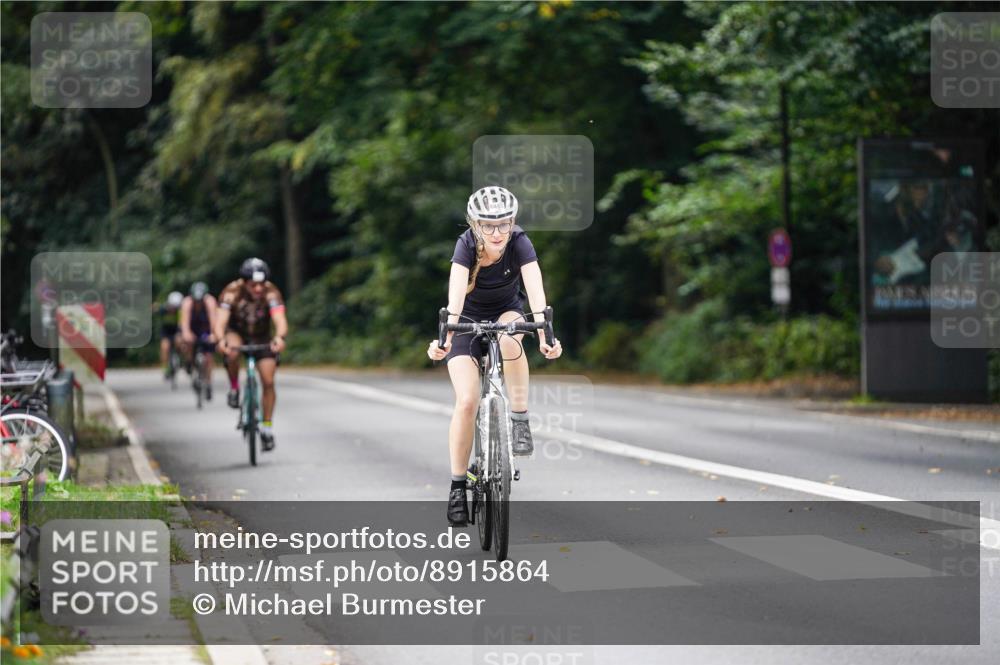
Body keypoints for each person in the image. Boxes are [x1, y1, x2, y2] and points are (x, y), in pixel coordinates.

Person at [427, 186, 562, 526]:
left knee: (511, 334)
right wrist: (445, 337)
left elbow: (535, 293)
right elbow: (454, 299)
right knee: (468, 400)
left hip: (505, 312)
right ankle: (458, 486)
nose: (497, 232)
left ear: (512, 222)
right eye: (488, 225)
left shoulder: (519, 242)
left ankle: (518, 418)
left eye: (503, 224)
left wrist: (546, 335)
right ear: (475, 225)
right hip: (467, 321)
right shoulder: (466, 246)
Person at [214, 258, 288, 451]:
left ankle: (267, 427)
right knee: (231, 350)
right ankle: (234, 387)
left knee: (268, 381)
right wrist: (220, 340)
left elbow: (279, 319)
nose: (257, 289)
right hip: (237, 332)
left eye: (261, 284)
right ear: (244, 282)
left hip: (261, 336)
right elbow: (220, 321)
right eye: (253, 285)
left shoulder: (271, 292)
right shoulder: (231, 292)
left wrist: (280, 337)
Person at [179, 282, 219, 399]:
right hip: (193, 328)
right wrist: (186, 334)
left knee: (209, 357)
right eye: (196, 300)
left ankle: (209, 383)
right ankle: (189, 361)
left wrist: (213, 335)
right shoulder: (187, 303)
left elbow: (213, 321)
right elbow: (185, 323)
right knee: (188, 343)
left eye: (200, 301)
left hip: (205, 329)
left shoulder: (210, 302)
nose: (198, 303)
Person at [157, 291, 184, 380]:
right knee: (164, 347)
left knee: (180, 342)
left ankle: (179, 358)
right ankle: (166, 369)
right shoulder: (163, 309)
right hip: (166, 332)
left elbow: (182, 324)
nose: (173, 309)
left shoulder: (181, 311)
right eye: (172, 306)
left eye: (176, 307)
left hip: (177, 330)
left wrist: (180, 334)